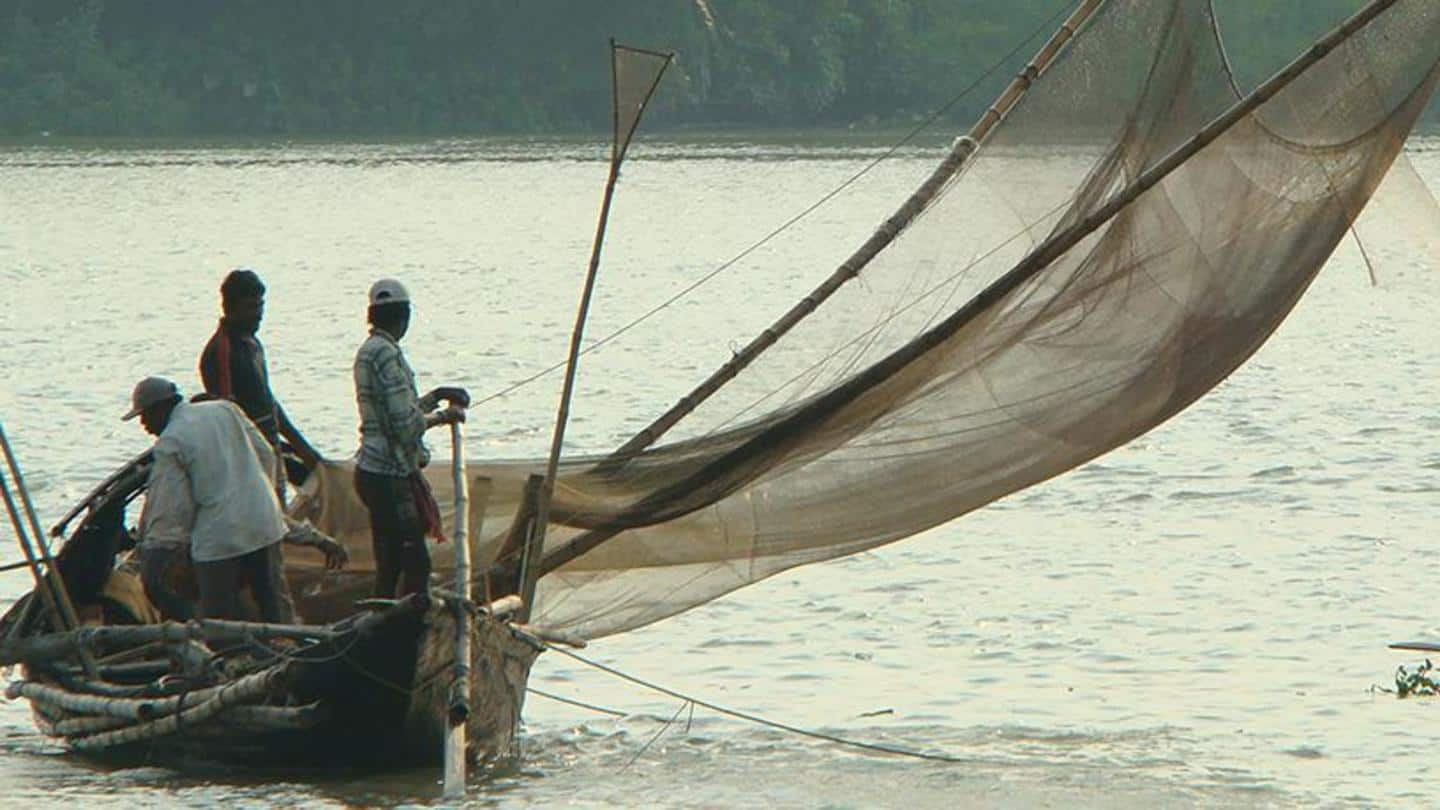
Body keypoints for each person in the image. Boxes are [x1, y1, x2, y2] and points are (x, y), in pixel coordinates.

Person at [126, 375, 298, 622]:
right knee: (274, 606)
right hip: (265, 522)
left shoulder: (171, 440)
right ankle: (285, 650)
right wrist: (259, 498)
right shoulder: (225, 409)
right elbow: (267, 455)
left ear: (162, 407)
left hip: (219, 537)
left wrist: (165, 550)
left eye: (145, 415)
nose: (144, 424)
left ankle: (233, 657)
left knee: (219, 619)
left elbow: (174, 509)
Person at [352, 279, 468, 598]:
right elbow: (405, 425)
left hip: (372, 470)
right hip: (388, 474)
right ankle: (406, 630)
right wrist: (445, 416)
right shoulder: (386, 354)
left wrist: (437, 396)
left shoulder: (370, 351)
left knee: (390, 564)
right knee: (415, 564)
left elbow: (397, 410)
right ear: (404, 316)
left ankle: (384, 622)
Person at [199, 268, 322, 484]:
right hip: (248, 463)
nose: (258, 314)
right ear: (230, 309)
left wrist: (302, 448)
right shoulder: (221, 351)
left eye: (260, 306)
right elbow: (227, 416)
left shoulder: (252, 344)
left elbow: (267, 402)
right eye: (250, 307)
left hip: (270, 450)